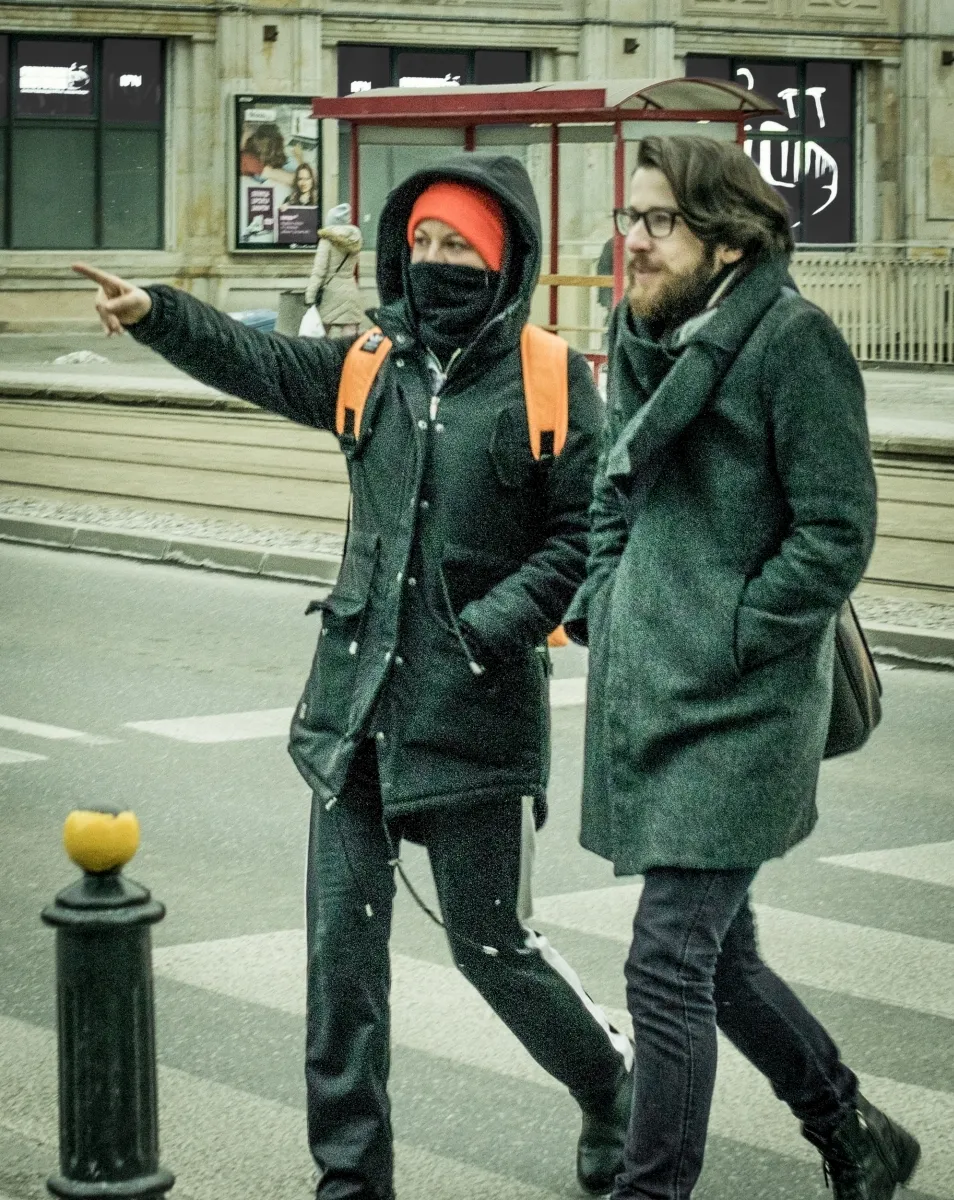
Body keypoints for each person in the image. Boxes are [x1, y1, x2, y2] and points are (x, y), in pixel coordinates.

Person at [73, 153, 633, 1200]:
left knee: (493, 948)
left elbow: (586, 534)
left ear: (503, 254)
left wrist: (491, 626)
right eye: (421, 241)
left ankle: (609, 1085)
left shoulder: (557, 378)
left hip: (474, 718)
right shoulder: (371, 360)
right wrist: (159, 313)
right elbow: (261, 361)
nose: (434, 261)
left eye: (457, 244)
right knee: (342, 966)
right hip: (354, 712)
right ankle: (350, 1181)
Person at [565, 135, 921, 1200]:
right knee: (718, 961)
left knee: (665, 964)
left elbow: (835, 530)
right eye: (629, 218)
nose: (632, 240)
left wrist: (731, 630)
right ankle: (853, 1129)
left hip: (742, 705)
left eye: (657, 222)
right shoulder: (641, 329)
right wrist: (609, 595)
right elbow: (611, 484)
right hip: (656, 685)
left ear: (726, 243)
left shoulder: (792, 342)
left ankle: (652, 1190)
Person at [304, 202, 366, 338]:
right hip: (350, 290)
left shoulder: (327, 241)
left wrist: (310, 295)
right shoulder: (355, 240)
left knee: (320, 334)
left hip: (330, 293)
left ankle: (325, 359)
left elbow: (319, 271)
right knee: (349, 335)